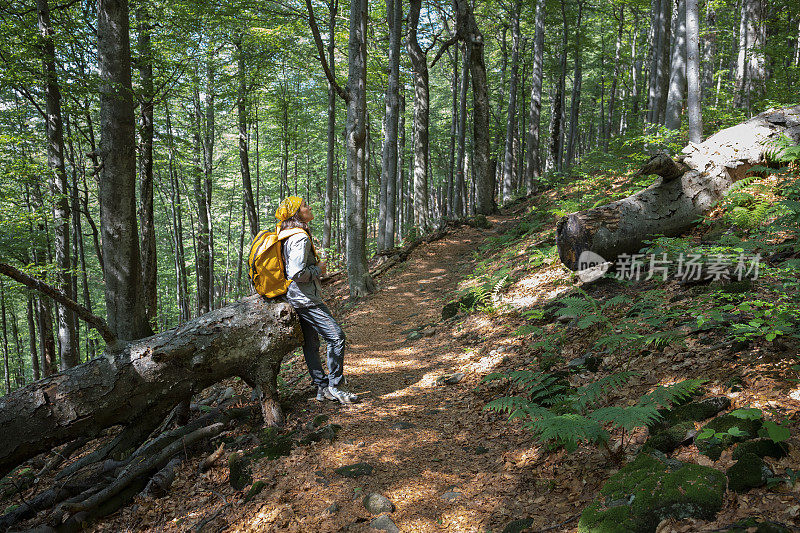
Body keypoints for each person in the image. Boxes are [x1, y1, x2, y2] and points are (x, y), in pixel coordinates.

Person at [275, 196, 358, 405]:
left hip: (295, 297)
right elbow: (295, 272)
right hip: (305, 299)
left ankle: (322, 387)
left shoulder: (287, 235)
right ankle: (336, 386)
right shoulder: (299, 237)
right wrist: (317, 270)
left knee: (311, 343)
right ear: (296, 213)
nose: (309, 207)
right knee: (337, 337)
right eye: (304, 205)